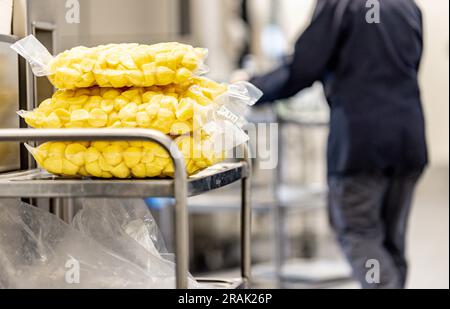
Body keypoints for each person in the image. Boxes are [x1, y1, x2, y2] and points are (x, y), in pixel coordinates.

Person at [248, 0, 428, 288]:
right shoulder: (408, 6)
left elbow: (302, 68)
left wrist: (249, 88)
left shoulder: (341, 4)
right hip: (409, 140)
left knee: (359, 234)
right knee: (390, 243)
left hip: (361, 144)